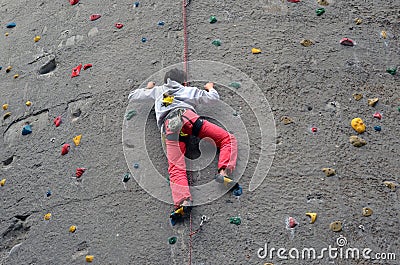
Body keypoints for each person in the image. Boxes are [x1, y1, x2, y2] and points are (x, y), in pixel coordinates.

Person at [128, 68, 240, 225]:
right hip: (189, 118)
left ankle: (184, 202)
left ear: (166, 80)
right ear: (183, 81)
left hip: (170, 128)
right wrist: (210, 87)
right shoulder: (187, 89)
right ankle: (224, 171)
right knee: (227, 139)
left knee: (176, 167)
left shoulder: (157, 91)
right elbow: (213, 98)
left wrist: (148, 88)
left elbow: (132, 96)